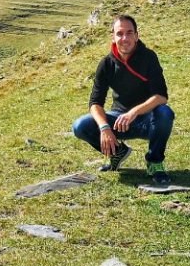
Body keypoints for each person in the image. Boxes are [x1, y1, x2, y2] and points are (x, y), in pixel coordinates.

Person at [72, 14, 175, 184]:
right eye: (119, 33)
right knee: (80, 126)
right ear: (113, 36)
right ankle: (118, 152)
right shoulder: (106, 64)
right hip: (118, 120)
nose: (124, 38)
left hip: (148, 120)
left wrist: (134, 112)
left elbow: (161, 96)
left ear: (136, 35)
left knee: (165, 113)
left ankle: (155, 162)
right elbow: (95, 102)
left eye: (129, 33)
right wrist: (105, 128)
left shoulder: (148, 57)